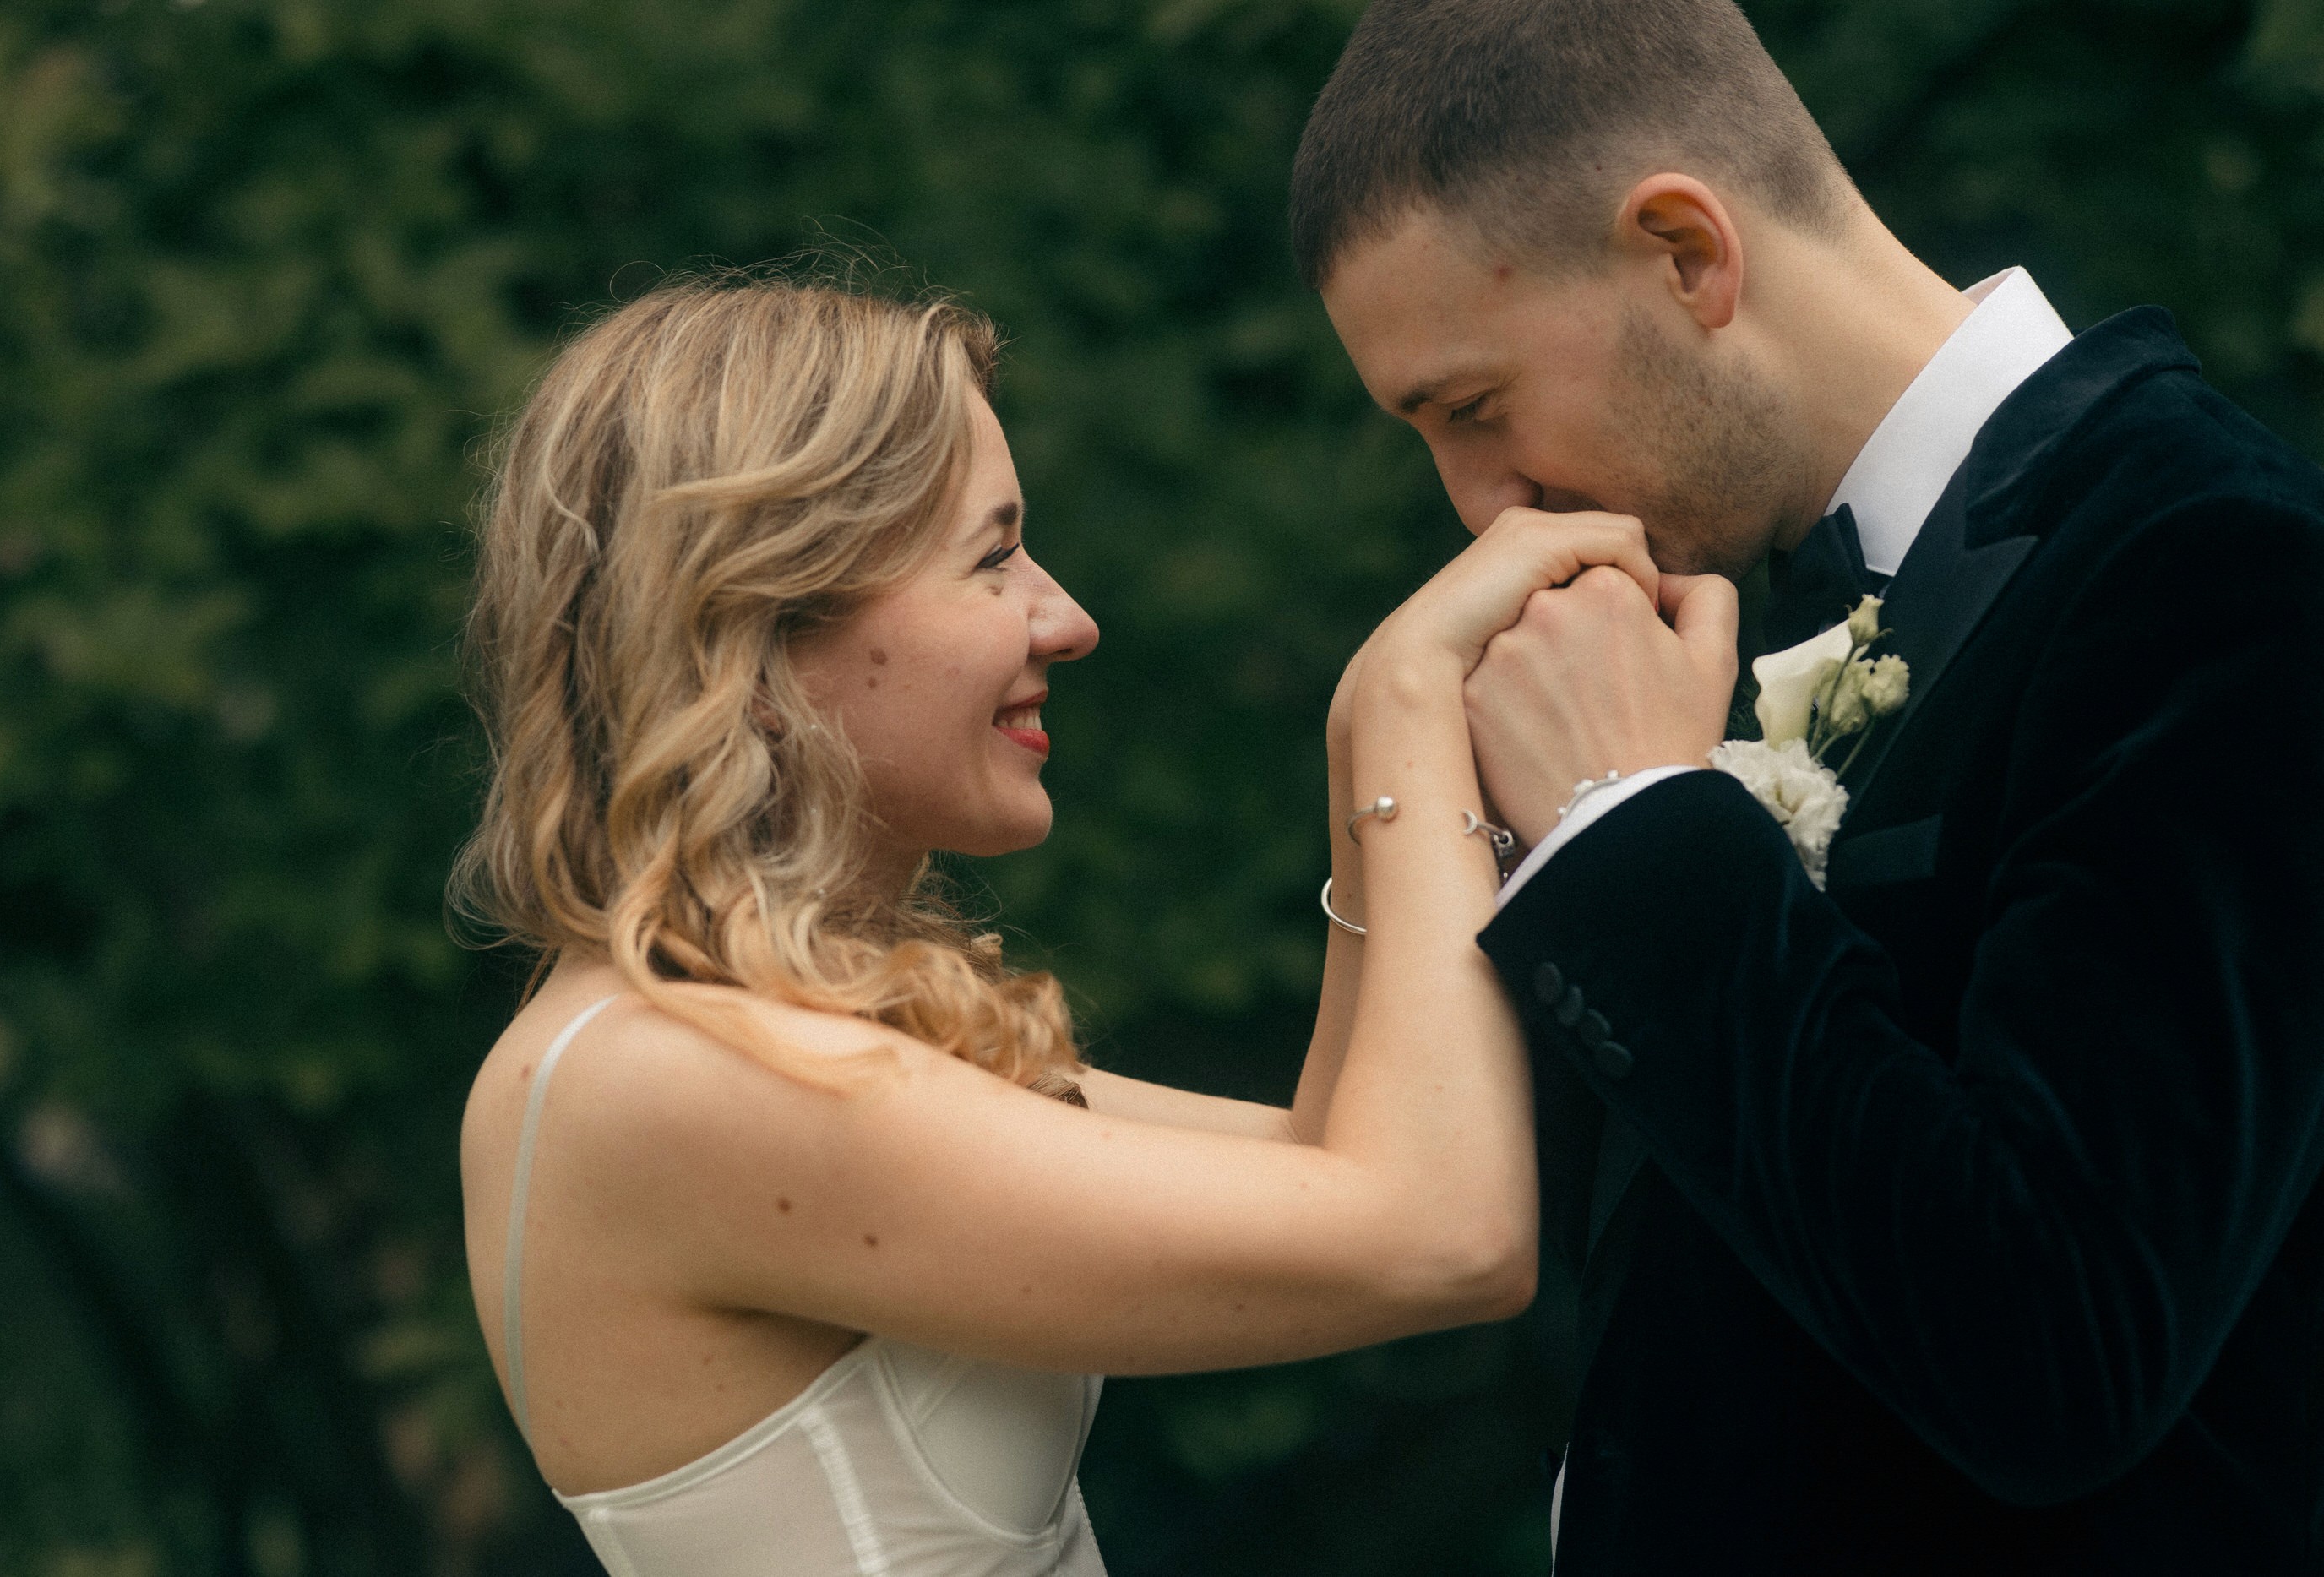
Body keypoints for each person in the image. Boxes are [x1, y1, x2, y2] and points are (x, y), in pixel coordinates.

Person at [1291, 0, 2324, 1571]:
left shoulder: (2224, 568)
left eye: (1476, 408)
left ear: (1689, 254)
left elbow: (2064, 1349)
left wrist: (1643, 831)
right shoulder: (1719, 605)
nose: (1476, 504)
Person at [452, 278, 1635, 1575]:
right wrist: (1414, 695)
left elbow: (1326, 1155)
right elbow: (1441, 1236)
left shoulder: (766, 1030)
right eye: (992, 556)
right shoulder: (660, 1079)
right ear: (759, 631)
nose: (1066, 621)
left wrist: (1367, 746)